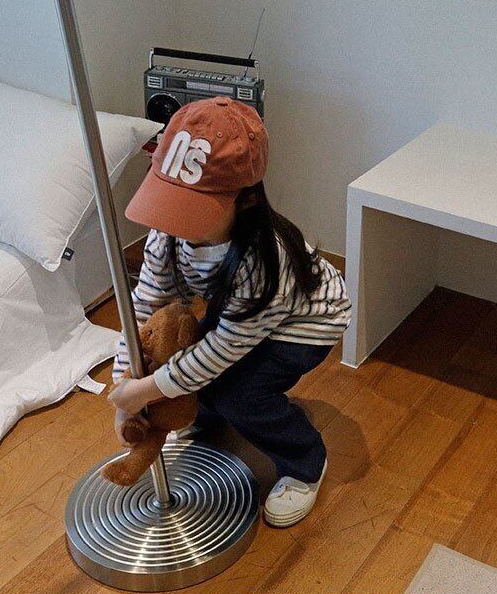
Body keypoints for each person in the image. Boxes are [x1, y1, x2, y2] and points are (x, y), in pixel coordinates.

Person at [108, 97, 351, 527]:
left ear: (245, 200)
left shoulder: (262, 262)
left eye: (190, 207)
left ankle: (304, 462)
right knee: (199, 372)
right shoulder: (167, 232)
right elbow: (147, 305)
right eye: (168, 198)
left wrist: (148, 391)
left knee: (241, 394)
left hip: (305, 323)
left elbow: (221, 351)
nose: (173, 220)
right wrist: (127, 380)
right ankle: (205, 412)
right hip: (240, 318)